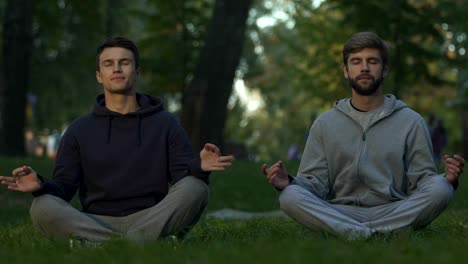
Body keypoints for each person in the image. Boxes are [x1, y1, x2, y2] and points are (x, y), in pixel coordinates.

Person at [0, 37, 234, 244]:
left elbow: (183, 178)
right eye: (108, 63)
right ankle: (139, 244)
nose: (117, 68)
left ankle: (100, 246)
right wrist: (41, 185)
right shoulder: (79, 129)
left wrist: (198, 167)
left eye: (125, 62)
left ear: (137, 71)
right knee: (42, 206)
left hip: (151, 217)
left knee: (196, 187)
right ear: (99, 76)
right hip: (94, 221)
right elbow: (64, 187)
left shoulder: (165, 123)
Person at [261, 32, 465, 239]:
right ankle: (372, 234)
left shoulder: (411, 121)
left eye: (372, 61)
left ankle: (353, 233)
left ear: (384, 69)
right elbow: (315, 183)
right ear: (346, 71)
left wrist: (448, 180)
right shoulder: (324, 124)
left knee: (441, 189)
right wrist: (289, 182)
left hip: (393, 210)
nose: (364, 68)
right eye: (356, 62)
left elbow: (423, 181)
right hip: (340, 210)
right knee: (289, 197)